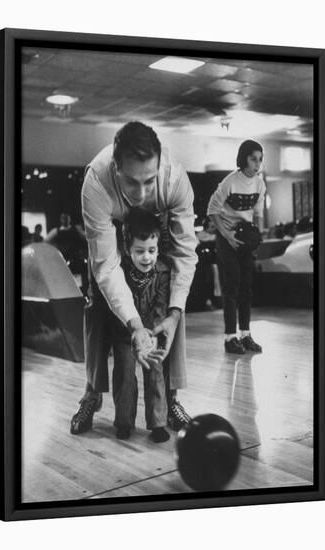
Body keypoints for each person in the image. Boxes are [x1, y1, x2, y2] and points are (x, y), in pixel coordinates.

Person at [70, 121, 198, 435]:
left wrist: (174, 313)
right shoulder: (96, 182)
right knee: (97, 303)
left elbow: (185, 254)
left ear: (159, 167)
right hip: (115, 244)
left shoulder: (175, 180)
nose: (140, 194)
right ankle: (92, 394)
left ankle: (170, 400)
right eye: (131, 182)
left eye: (149, 181)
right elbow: (107, 268)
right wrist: (135, 325)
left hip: (153, 237)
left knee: (171, 307)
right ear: (116, 168)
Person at [111, 208, 171, 443]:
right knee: (125, 374)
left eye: (152, 251)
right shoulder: (120, 272)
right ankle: (124, 422)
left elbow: (161, 306)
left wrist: (153, 334)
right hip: (125, 333)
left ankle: (157, 423)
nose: (147, 257)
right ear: (127, 250)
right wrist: (133, 331)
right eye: (140, 251)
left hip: (152, 333)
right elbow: (116, 303)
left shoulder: (163, 272)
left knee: (155, 371)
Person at [207, 139, 266, 354]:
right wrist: (226, 235)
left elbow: (258, 215)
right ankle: (230, 338)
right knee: (230, 287)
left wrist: (256, 239)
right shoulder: (229, 182)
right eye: (253, 159)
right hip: (226, 237)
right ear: (243, 159)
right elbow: (212, 210)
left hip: (245, 237)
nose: (257, 164)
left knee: (246, 288)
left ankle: (245, 335)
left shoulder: (260, 184)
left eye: (260, 159)